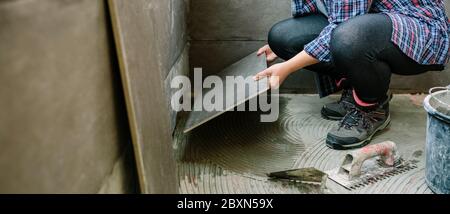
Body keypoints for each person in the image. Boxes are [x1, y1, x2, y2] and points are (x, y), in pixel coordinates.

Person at [254, 0, 450, 150]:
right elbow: (325, 13)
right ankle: (360, 85)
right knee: (282, 37)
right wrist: (283, 50)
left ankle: (372, 108)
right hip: (367, 23)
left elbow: (343, 26)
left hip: (420, 29)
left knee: (349, 38)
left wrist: (288, 66)